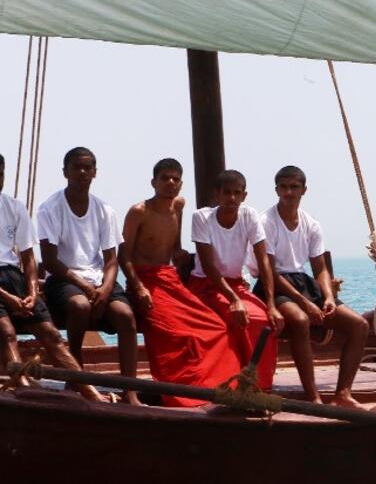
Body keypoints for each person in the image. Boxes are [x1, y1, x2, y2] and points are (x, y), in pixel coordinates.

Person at [118, 158, 242, 406]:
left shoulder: (179, 205)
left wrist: (180, 254)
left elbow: (175, 246)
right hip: (145, 281)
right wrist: (138, 287)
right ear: (154, 182)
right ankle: (182, 392)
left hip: (169, 278)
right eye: (165, 178)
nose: (170, 183)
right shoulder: (139, 211)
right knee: (177, 334)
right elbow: (124, 254)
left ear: (181, 184)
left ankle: (218, 388)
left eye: (175, 178)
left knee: (216, 326)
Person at [255, 166, 367, 407]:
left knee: (359, 325)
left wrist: (328, 297)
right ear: (276, 190)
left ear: (304, 190)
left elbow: (320, 268)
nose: (289, 192)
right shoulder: (266, 222)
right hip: (274, 285)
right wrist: (305, 303)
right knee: (300, 320)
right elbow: (270, 271)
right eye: (283, 187)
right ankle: (313, 397)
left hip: (303, 282)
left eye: (294, 187)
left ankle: (343, 395)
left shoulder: (311, 224)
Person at [37, 147, 140, 404]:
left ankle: (130, 390)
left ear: (95, 172)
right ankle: (75, 373)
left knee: (126, 316)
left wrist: (105, 289)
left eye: (88, 167)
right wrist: (84, 285)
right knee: (79, 306)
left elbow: (111, 259)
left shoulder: (104, 210)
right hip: (65, 278)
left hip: (99, 279)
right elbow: (50, 261)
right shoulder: (50, 208)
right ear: (65, 172)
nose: (82, 172)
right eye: (76, 167)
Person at [0, 153, 106, 401]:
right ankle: (23, 388)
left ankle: (87, 389)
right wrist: (7, 298)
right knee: (7, 333)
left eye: (1, 174)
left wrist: (31, 292)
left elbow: (28, 257)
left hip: (13, 276)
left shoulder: (14, 207)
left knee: (53, 335)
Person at [189, 169, 283, 390]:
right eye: (227, 192)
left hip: (235, 285)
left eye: (237, 193)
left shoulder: (249, 216)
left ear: (244, 195)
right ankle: (231, 382)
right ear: (217, 195)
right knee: (237, 318)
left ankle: (259, 386)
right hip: (206, 285)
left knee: (263, 319)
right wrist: (234, 300)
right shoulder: (201, 217)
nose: (232, 198)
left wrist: (271, 304)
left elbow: (263, 261)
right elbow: (209, 267)